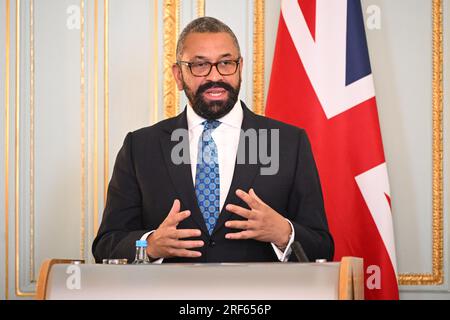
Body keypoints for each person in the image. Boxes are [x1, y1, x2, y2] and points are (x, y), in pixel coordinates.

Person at [92, 17, 334, 264]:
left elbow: (322, 247)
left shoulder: (289, 143)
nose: (214, 76)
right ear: (178, 75)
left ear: (240, 68)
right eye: (200, 65)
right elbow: (106, 246)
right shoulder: (140, 147)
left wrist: (284, 233)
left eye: (226, 63)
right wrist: (151, 245)